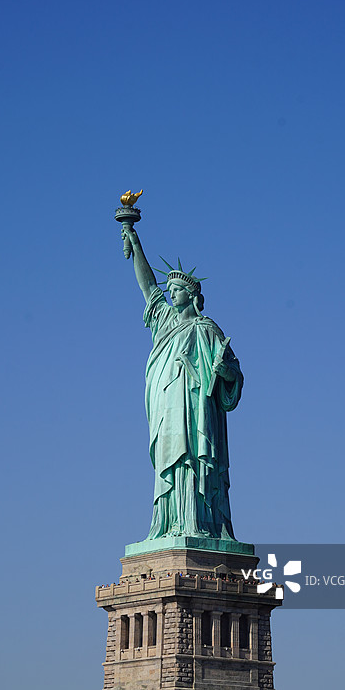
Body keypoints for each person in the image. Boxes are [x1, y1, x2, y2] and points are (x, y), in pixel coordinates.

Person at [122, 224, 243, 541]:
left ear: (191, 295)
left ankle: (197, 524)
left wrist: (225, 372)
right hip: (166, 406)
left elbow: (234, 375)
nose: (170, 293)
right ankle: (170, 524)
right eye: (170, 289)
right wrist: (136, 243)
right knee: (170, 461)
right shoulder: (163, 320)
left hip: (195, 409)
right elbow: (148, 286)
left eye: (176, 289)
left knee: (193, 459)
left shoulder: (207, 329)